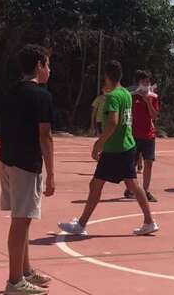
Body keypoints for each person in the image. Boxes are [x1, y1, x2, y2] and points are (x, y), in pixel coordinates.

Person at [58, 61, 159, 237]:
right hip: (127, 146)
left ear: (106, 76)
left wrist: (98, 144)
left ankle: (81, 225)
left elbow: (112, 122)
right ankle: (149, 221)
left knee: (96, 185)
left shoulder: (113, 97)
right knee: (132, 185)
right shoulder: (126, 94)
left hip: (115, 148)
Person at [0, 44, 56, 295]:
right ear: (39, 66)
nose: (50, 70)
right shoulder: (41, 96)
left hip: (7, 160)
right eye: (48, 65)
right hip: (25, 164)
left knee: (22, 219)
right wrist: (51, 173)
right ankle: (14, 281)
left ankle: (26, 270)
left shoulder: (10, 91)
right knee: (21, 222)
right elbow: (45, 135)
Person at [124, 70, 159, 202]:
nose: (146, 84)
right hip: (133, 135)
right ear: (138, 83)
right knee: (131, 164)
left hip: (148, 135)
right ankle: (131, 189)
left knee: (148, 162)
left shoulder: (153, 97)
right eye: (144, 81)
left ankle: (146, 191)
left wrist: (148, 101)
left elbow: (154, 116)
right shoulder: (131, 96)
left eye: (148, 81)